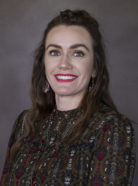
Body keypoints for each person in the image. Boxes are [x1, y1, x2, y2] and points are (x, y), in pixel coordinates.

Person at [0, 9, 135, 186]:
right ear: (44, 63)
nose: (64, 64)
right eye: (55, 52)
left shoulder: (110, 127)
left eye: (77, 52)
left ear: (94, 67)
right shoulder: (25, 122)